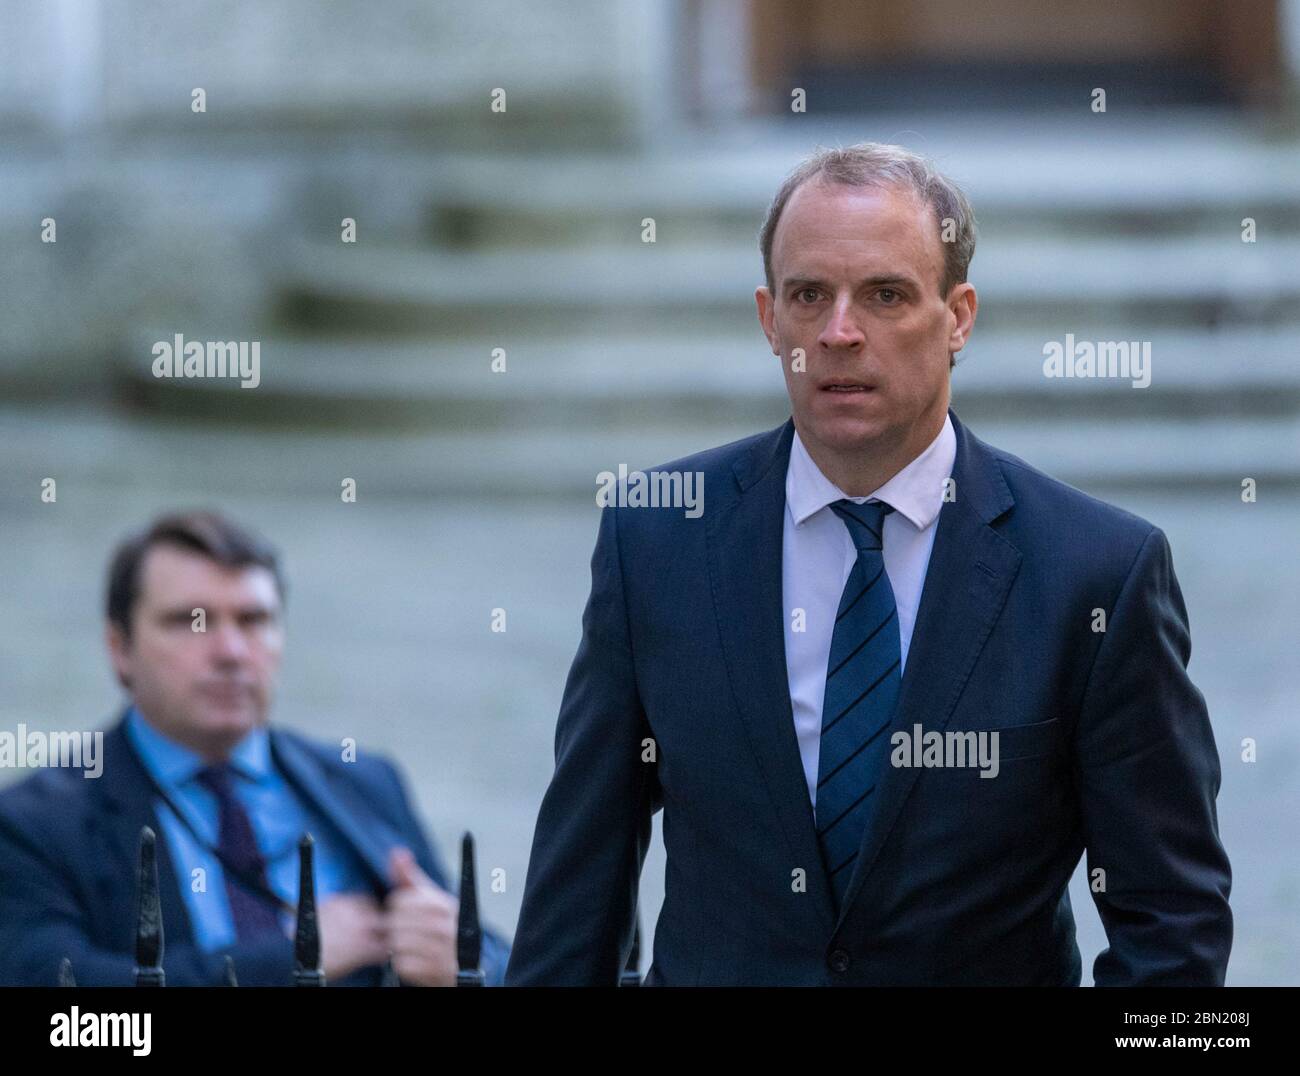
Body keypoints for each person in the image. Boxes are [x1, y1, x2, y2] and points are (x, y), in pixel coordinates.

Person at [506, 142, 1232, 986]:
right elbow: (579, 880)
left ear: (958, 315)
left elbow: (1172, 924)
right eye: (809, 295)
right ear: (769, 318)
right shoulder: (658, 539)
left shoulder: (1096, 571)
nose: (840, 333)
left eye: (885, 295)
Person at [0, 510, 509, 986]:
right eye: (190, 621)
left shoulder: (364, 782)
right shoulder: (33, 825)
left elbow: (520, 961)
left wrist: (470, 965)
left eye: (254, 620)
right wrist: (291, 956)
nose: (230, 651)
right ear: (120, 649)